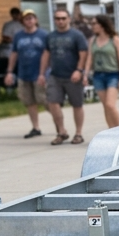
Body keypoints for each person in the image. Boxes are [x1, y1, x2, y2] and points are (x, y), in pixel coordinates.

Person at [40, 8, 89, 144]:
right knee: (52, 102)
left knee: (77, 104)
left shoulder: (77, 35)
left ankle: (78, 133)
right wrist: (42, 73)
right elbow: (46, 54)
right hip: (55, 75)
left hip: (73, 75)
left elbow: (83, 53)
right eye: (57, 18)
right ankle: (61, 132)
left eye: (63, 18)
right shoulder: (51, 36)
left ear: (69, 19)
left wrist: (79, 70)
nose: (60, 21)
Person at [4, 9, 48, 138]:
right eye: (26, 19)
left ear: (36, 20)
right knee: (29, 101)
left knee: (45, 100)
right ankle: (36, 127)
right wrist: (9, 71)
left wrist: (44, 72)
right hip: (24, 73)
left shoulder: (43, 35)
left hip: (40, 73)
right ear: (22, 21)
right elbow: (14, 53)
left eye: (31, 18)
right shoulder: (19, 36)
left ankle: (59, 124)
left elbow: (48, 54)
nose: (29, 21)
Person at [88, 14, 119, 129]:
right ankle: (111, 129)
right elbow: (90, 58)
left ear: (102, 24)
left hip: (113, 74)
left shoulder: (115, 40)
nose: (93, 26)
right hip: (98, 75)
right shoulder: (93, 40)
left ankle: (118, 128)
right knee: (105, 105)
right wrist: (85, 74)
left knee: (110, 104)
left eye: (94, 23)